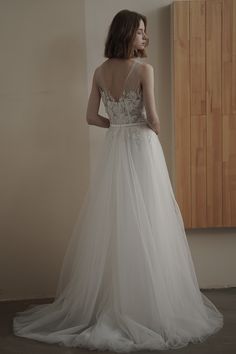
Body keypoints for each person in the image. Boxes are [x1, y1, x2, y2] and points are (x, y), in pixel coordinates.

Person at [13, 9, 223, 353]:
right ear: (127, 34)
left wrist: (116, 127)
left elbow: (90, 116)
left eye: (145, 32)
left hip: (116, 150)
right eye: (140, 32)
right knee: (150, 219)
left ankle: (118, 300)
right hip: (141, 148)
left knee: (119, 221)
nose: (145, 38)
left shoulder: (99, 71)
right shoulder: (144, 70)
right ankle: (149, 305)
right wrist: (150, 128)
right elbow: (153, 117)